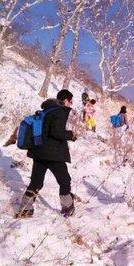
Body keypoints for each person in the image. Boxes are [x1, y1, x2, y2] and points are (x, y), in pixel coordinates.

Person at [16, 89, 77, 218]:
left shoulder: (47, 110)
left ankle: (25, 209)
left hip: (39, 152)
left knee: (36, 182)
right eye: (70, 102)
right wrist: (71, 135)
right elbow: (56, 132)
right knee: (65, 181)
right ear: (66, 100)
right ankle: (67, 207)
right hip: (53, 154)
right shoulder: (60, 111)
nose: (70, 104)